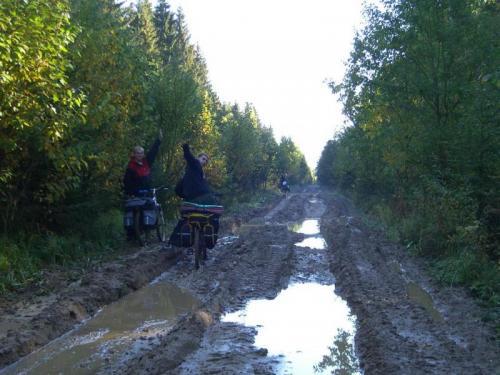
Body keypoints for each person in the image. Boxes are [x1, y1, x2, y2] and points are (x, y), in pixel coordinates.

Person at [123, 130, 162, 196]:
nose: (140, 155)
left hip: (148, 193)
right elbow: (127, 183)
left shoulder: (146, 162)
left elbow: (152, 152)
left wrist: (158, 141)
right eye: (138, 153)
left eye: (141, 153)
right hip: (137, 196)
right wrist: (134, 192)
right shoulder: (131, 166)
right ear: (134, 154)